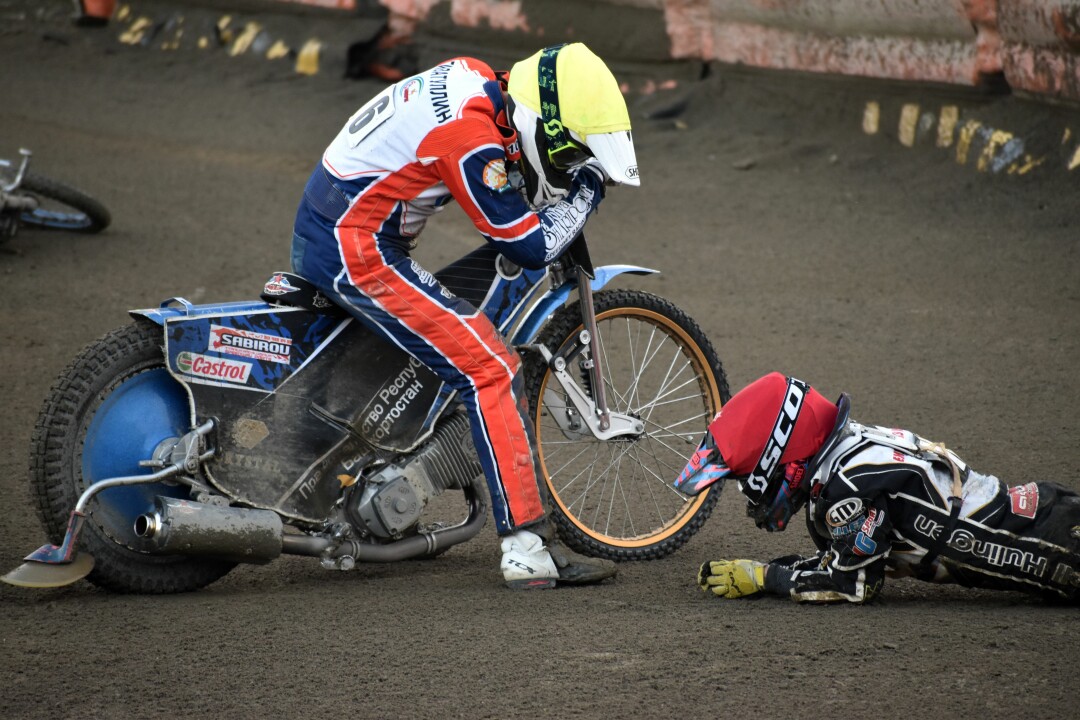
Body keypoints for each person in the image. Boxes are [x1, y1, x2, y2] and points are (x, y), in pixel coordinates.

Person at [290, 43, 639, 589]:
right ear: (543, 124)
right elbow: (529, 246)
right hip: (355, 247)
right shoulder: (470, 140)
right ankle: (528, 550)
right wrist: (587, 189)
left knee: (452, 341)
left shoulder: (477, 82)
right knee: (490, 368)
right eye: (569, 151)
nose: (571, 161)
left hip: (344, 229)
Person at [675, 372, 1080, 603]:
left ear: (780, 457)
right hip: (1048, 512)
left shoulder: (846, 489)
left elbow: (854, 584)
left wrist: (766, 578)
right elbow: (844, 556)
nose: (750, 492)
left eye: (748, 477)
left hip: (1057, 548)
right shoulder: (850, 448)